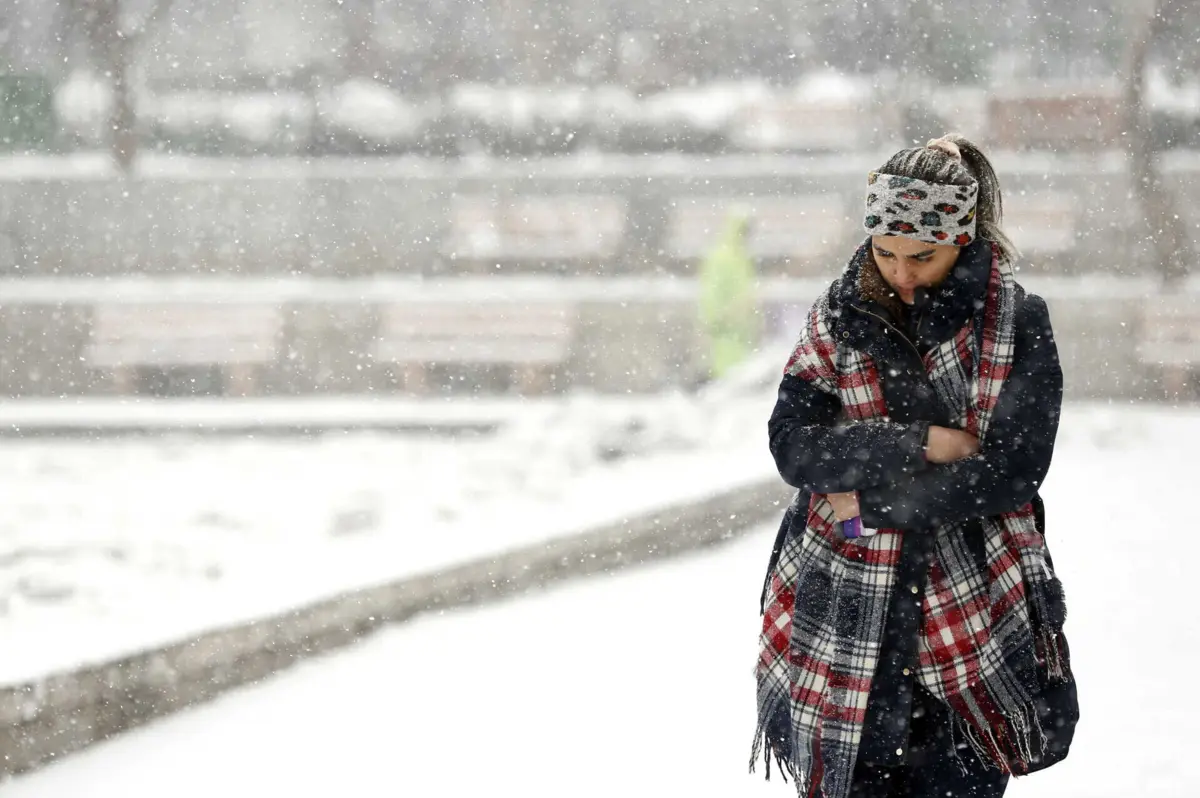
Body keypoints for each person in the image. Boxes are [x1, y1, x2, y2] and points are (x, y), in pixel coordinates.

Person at [749, 135, 1079, 798]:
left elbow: (1013, 472)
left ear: (964, 237)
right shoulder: (839, 317)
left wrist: (874, 506)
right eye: (886, 252)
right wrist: (919, 442)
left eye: (922, 256)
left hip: (973, 606)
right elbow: (794, 446)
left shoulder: (1016, 323)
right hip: (843, 609)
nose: (902, 273)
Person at [697, 211, 759, 383]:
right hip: (725, 327)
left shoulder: (741, 256)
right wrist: (716, 317)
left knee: (739, 370)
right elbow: (711, 291)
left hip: (740, 327)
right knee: (726, 371)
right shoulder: (723, 256)